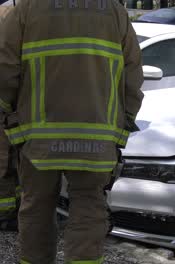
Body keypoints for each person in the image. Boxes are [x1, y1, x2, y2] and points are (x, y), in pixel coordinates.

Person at [0, 0, 144, 263]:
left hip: (38, 138)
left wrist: (10, 122)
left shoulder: (26, 8)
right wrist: (121, 128)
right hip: (97, 139)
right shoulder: (114, 10)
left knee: (36, 211)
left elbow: (5, 71)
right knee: (89, 214)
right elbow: (133, 75)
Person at [0, 4, 20, 232]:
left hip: (9, 103)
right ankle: (6, 213)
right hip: (8, 105)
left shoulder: (14, 12)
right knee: (6, 162)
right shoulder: (11, 13)